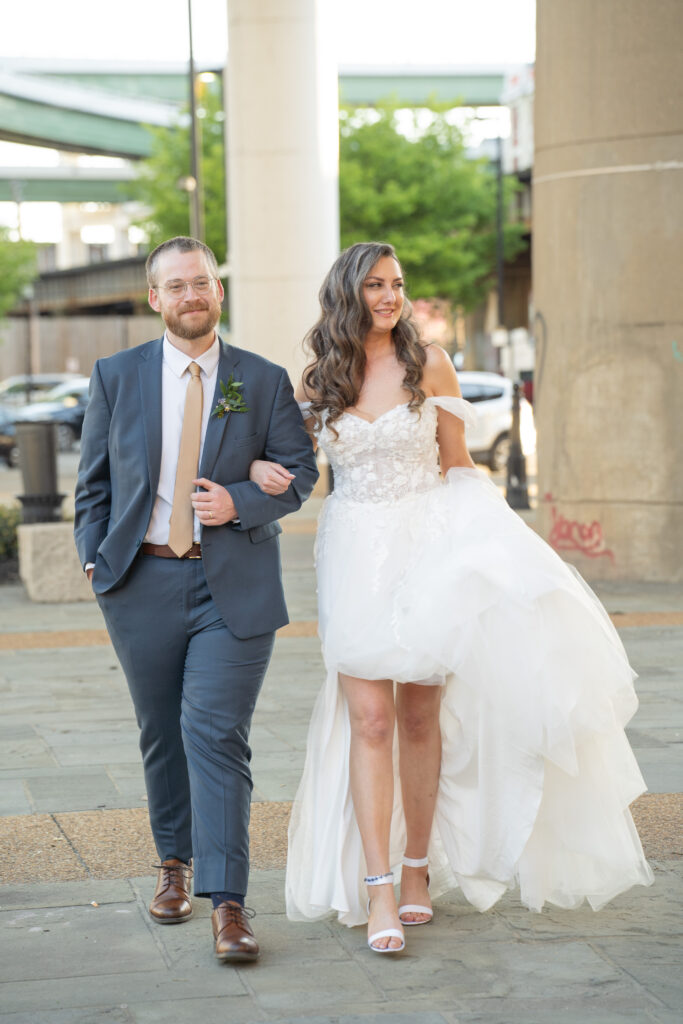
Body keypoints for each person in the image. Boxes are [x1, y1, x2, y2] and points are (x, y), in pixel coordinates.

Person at [251, 241, 653, 954]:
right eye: (374, 284)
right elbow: (291, 462)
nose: (388, 296)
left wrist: (502, 553)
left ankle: (414, 873)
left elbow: (457, 464)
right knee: (368, 720)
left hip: (426, 547)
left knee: (417, 719)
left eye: (397, 284)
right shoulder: (319, 376)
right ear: (347, 291)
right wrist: (260, 467)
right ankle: (375, 889)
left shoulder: (427, 363)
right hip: (351, 554)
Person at [74, 236, 318, 963]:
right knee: (161, 732)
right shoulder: (116, 375)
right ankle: (172, 865)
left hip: (231, 588)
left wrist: (239, 501)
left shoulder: (261, 378)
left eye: (201, 283)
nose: (190, 295)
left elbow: (300, 473)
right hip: (139, 582)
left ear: (219, 291)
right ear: (155, 298)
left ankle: (229, 903)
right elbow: (93, 481)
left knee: (214, 733)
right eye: (175, 286)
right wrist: (95, 560)